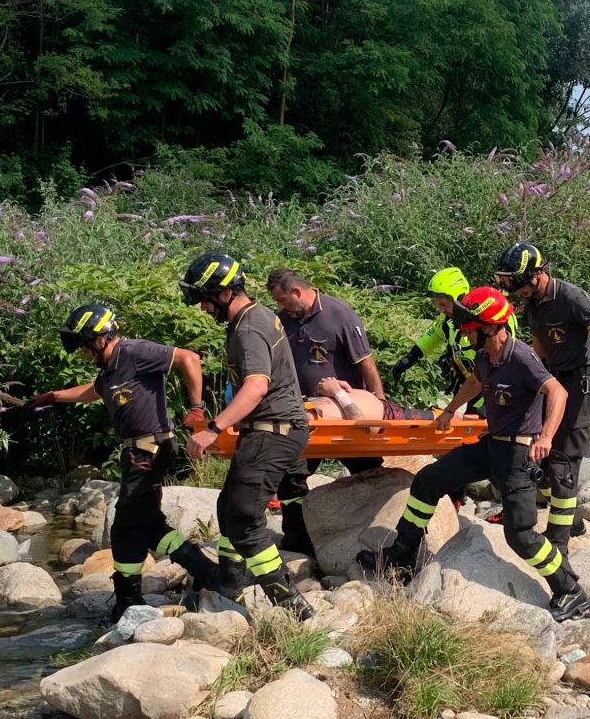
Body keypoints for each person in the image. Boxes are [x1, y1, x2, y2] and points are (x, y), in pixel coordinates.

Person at [359, 287, 590, 621]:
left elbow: (557, 392)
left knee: (521, 534)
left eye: (469, 327)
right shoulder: (485, 357)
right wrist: (449, 412)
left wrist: (545, 437)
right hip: (491, 445)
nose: (463, 332)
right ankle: (401, 558)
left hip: (518, 454)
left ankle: (571, 592)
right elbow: (474, 382)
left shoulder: (521, 356)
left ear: (489, 327)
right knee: (429, 480)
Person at [25, 303, 228, 621]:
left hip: (151, 450)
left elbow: (189, 358)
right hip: (137, 452)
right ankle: (203, 568)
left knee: (123, 528)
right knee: (148, 525)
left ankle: (128, 599)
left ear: (100, 338)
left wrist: (197, 408)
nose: (84, 354)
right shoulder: (109, 370)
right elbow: (93, 392)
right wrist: (53, 396)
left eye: (85, 347)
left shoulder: (134, 351)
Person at [179, 253, 314, 619]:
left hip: (274, 430)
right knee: (229, 506)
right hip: (274, 429)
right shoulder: (252, 317)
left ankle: (292, 608)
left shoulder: (249, 328)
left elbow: (256, 386)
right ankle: (229, 582)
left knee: (243, 519)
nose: (203, 308)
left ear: (224, 293)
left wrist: (213, 429)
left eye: (205, 299)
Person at [493, 243, 590, 557]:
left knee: (564, 462)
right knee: (543, 454)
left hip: (581, 382)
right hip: (553, 381)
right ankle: (574, 521)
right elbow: (538, 348)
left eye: (520, 282)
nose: (517, 290)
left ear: (538, 274)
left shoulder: (571, 297)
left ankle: (558, 544)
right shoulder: (533, 305)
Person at [264, 268, 385, 556]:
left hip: (343, 416)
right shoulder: (284, 321)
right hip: (306, 414)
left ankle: (380, 528)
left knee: (369, 471)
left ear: (297, 292)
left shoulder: (338, 314)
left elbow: (365, 361)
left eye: (282, 301)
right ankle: (298, 539)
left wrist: (378, 401)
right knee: (291, 474)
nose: (279, 307)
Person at [387, 267, 479, 405]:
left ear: (459, 299)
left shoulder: (486, 322)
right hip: (468, 391)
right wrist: (404, 363)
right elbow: (428, 340)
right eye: (437, 305)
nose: (441, 310)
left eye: (443, 304)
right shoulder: (447, 321)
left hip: (491, 393)